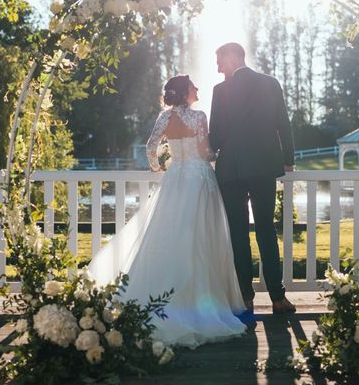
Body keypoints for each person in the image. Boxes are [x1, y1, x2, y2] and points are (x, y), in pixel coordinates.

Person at [88, 74, 246, 348]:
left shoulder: (164, 117)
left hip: (175, 178)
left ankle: (163, 296)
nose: (197, 88)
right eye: (193, 86)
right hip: (199, 178)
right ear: (186, 92)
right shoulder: (198, 117)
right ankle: (198, 301)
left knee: (168, 234)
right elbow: (205, 151)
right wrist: (218, 154)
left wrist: (159, 167)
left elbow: (151, 147)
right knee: (200, 238)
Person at [209, 42, 296, 315]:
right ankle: (278, 298)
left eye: (220, 60)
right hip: (263, 166)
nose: (218, 67)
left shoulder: (220, 90)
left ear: (233, 58)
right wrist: (288, 158)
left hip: (231, 169)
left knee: (238, 233)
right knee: (266, 231)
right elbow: (283, 122)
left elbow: (216, 135)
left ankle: (246, 298)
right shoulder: (270, 83)